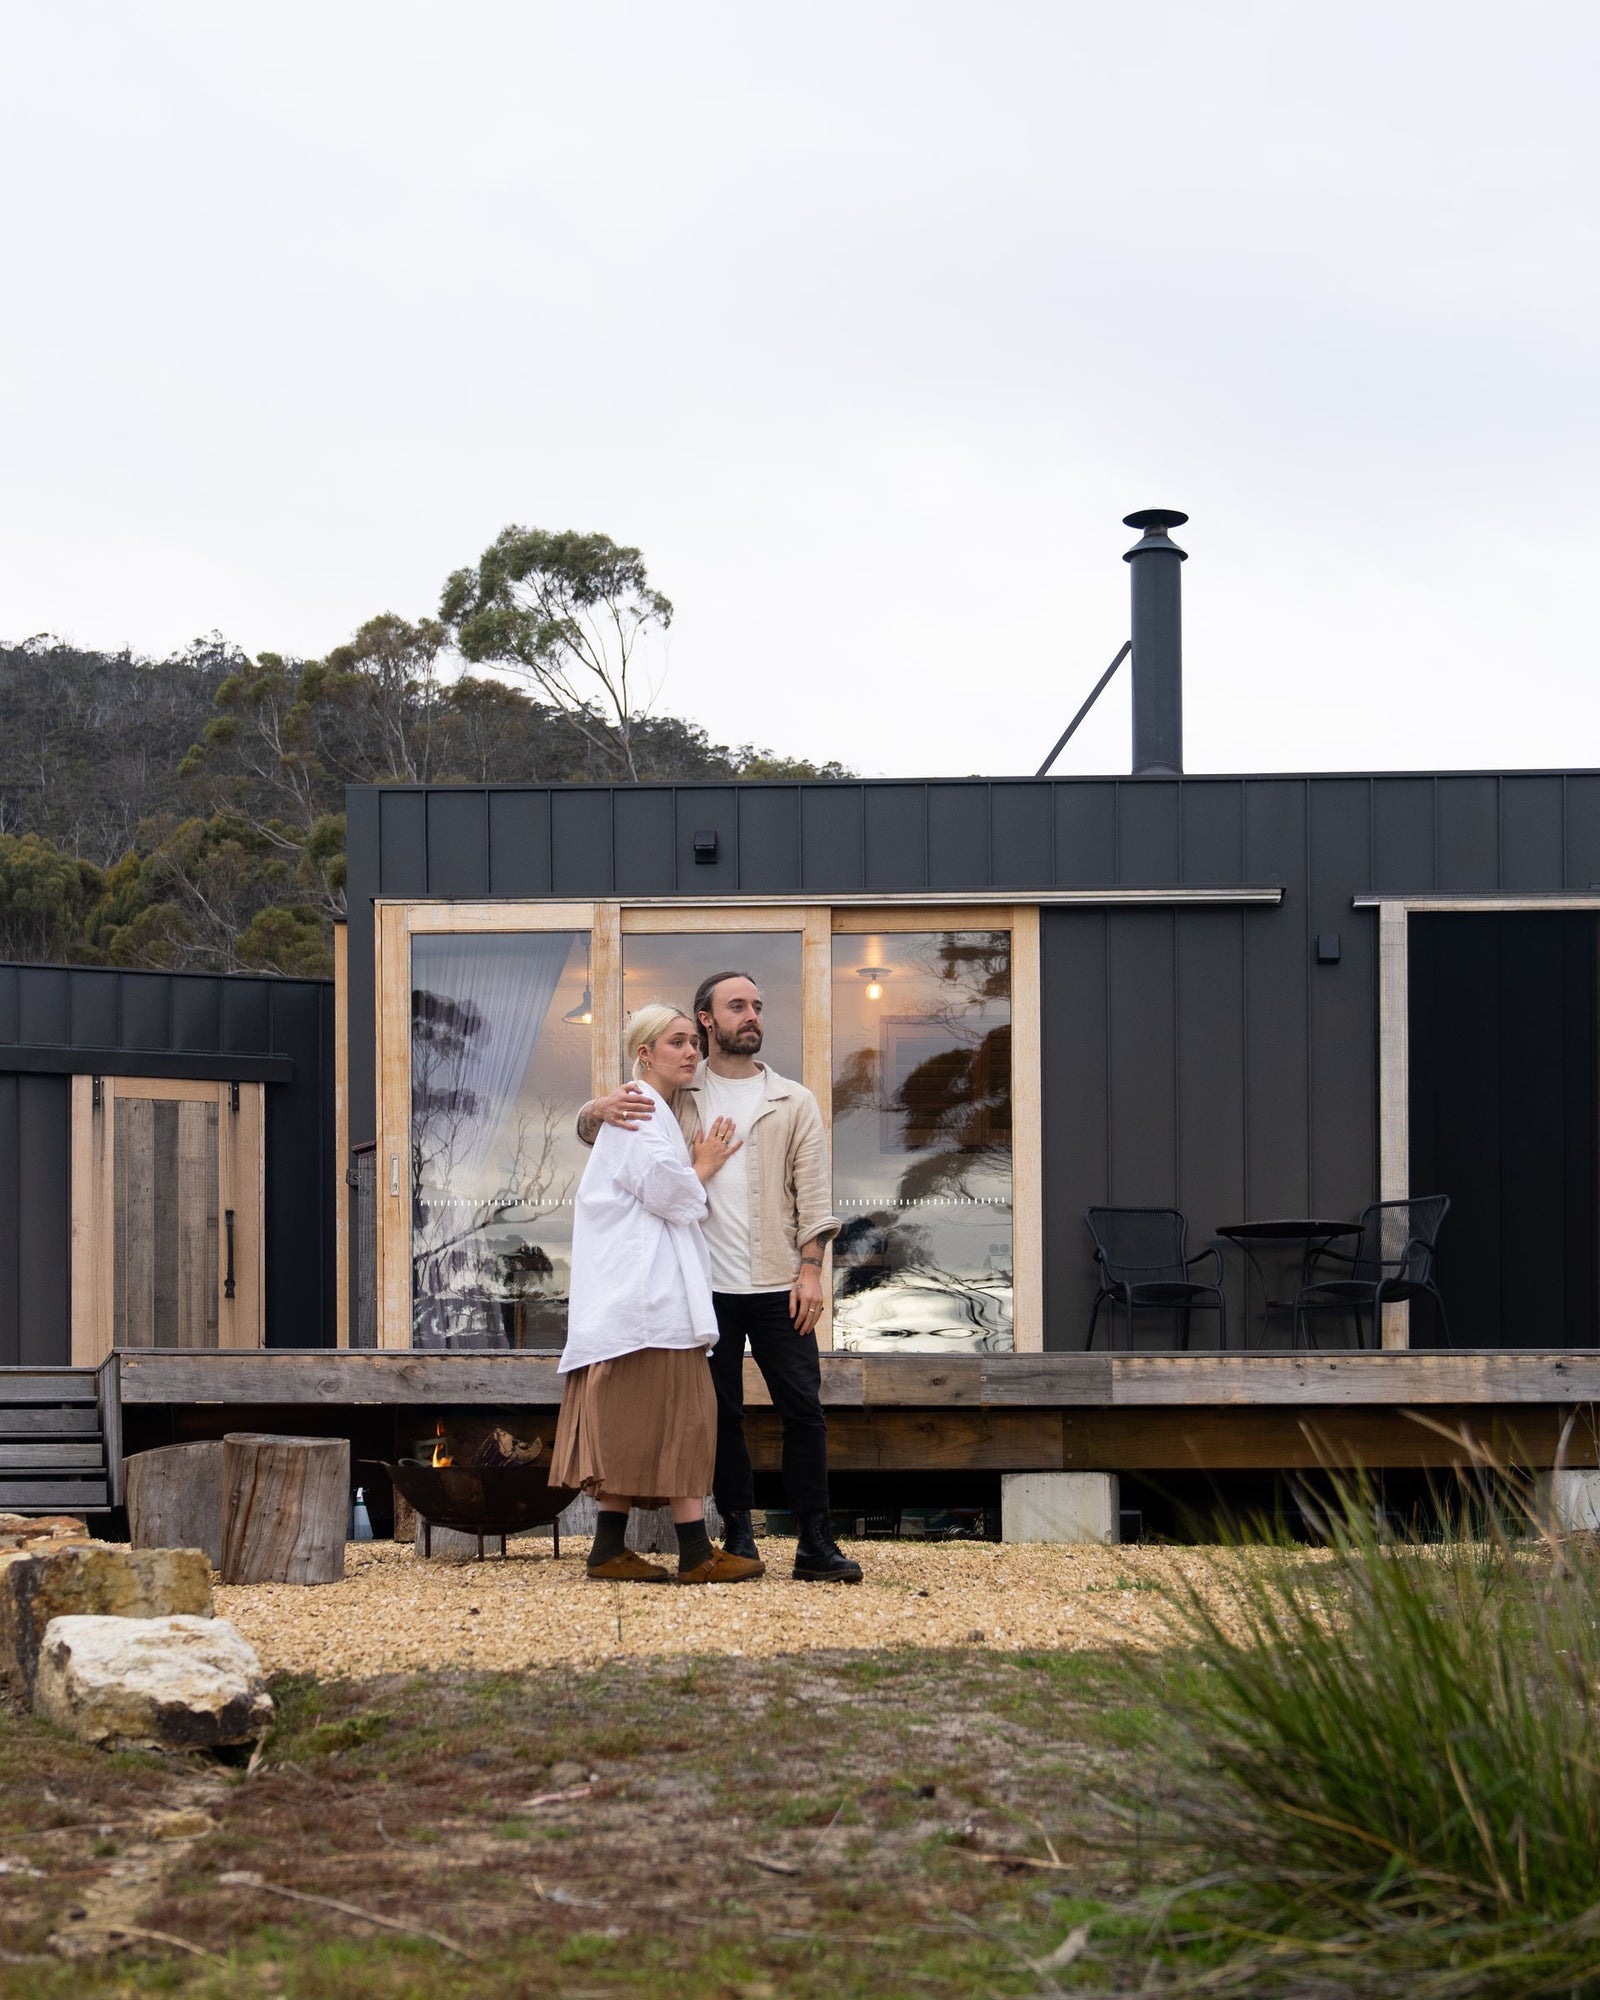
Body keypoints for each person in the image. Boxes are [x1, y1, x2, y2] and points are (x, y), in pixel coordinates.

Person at [579, 971, 863, 1584]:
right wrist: (591, 1108)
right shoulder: (681, 1087)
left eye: (758, 1005)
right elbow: (616, 1129)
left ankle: (815, 1542)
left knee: (804, 1412)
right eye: (738, 1006)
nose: (752, 1015)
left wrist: (811, 1271)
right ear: (707, 1020)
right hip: (703, 1286)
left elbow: (813, 1198)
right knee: (720, 1417)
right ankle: (737, 1534)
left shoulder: (794, 1100)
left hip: (778, 1282)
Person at [552, 1002, 764, 1586]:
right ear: (644, 1053)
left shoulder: (647, 1110)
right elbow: (671, 1197)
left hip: (638, 1299)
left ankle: (608, 1550)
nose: (692, 1051)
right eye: (677, 1042)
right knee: (685, 1418)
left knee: (639, 1422)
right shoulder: (642, 1111)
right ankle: (695, 1552)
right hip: (647, 1299)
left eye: (694, 1042)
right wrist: (705, 1163)